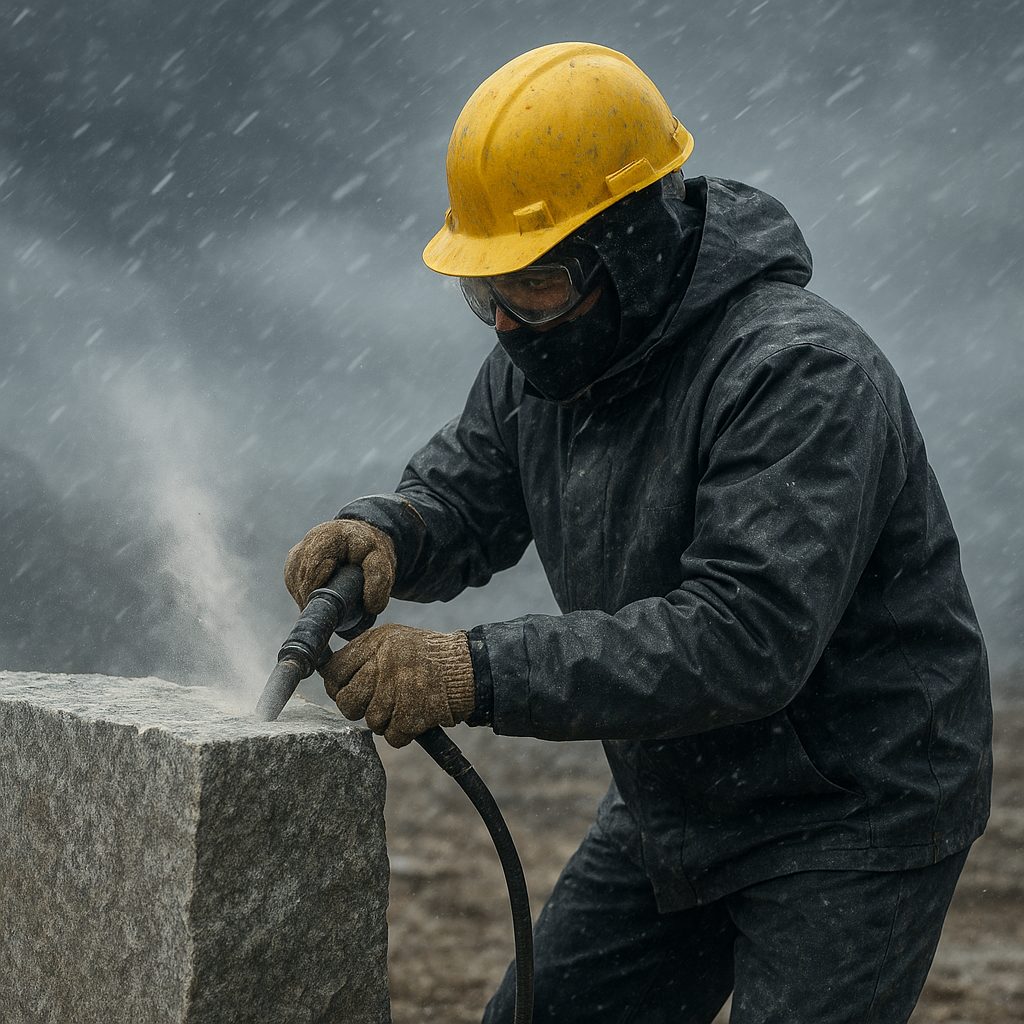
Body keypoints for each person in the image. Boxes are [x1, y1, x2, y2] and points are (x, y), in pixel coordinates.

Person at [284, 42, 992, 1024]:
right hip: (685, 785)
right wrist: (392, 531)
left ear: (628, 246)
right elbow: (477, 481)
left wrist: (470, 670)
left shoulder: (800, 376)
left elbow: (743, 636)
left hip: (851, 804)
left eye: (528, 284)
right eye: (483, 291)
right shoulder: (549, 353)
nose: (502, 323)